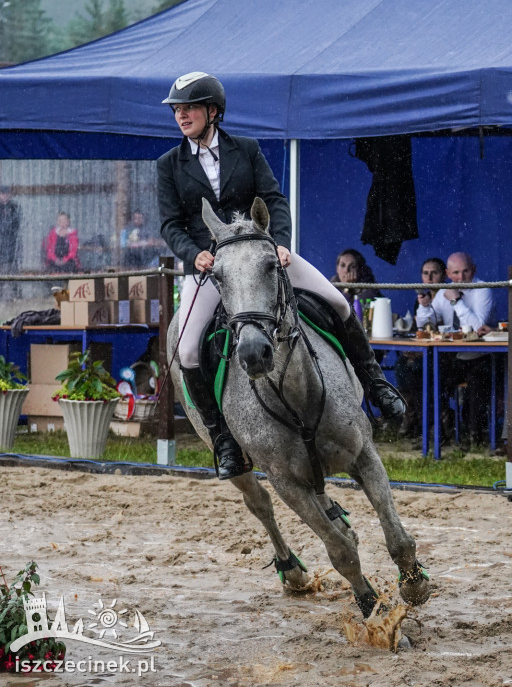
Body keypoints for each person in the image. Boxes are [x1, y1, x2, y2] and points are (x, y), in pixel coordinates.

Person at [157, 72, 405, 480]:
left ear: (213, 111)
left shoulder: (247, 150)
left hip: (262, 256)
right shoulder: (169, 165)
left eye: (189, 108)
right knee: (185, 351)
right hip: (210, 266)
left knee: (339, 302)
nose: (181, 115)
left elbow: (274, 199)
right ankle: (223, 440)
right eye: (177, 110)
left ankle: (376, 385)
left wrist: (280, 243)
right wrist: (193, 254)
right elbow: (170, 224)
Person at [416, 252, 497, 449]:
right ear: (448, 273)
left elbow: (478, 328)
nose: (460, 278)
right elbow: (428, 325)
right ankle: (440, 431)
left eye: (465, 271)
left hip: (481, 356)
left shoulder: (482, 289)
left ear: (474, 269)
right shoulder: (444, 290)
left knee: (477, 383)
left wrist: (456, 302)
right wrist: (425, 307)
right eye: (456, 273)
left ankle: (475, 438)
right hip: (453, 356)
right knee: (426, 377)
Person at [395, 257, 447, 440]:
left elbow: (441, 326)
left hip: (445, 351)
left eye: (434, 273)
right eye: (425, 273)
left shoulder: (448, 294)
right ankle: (411, 418)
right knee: (401, 366)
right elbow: (422, 329)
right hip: (425, 349)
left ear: (444, 275)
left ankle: (431, 423)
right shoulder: (421, 298)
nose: (430, 277)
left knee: (419, 370)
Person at [0, 185, 21, 299]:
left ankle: (13, 297)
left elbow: (16, 226)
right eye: (3, 194)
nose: (5, 196)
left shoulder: (14, 207)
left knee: (12, 272)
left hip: (11, 246)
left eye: (7, 194)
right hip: (2, 245)